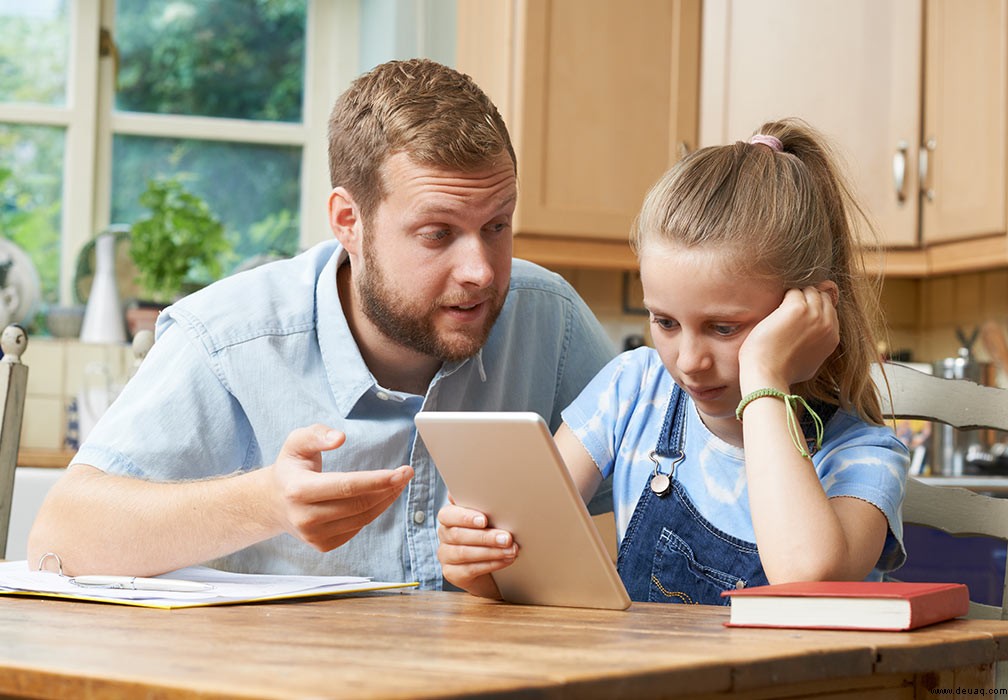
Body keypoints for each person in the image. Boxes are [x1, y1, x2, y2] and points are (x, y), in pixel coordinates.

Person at [27, 58, 615, 588]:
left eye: (497, 226)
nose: (481, 272)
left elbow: (657, 505)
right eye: (438, 233)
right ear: (347, 221)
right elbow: (60, 537)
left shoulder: (551, 319)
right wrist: (265, 503)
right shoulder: (229, 338)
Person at [437, 119, 909, 604]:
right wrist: (478, 564)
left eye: (724, 328)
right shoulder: (632, 389)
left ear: (809, 313)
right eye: (664, 322)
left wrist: (764, 376)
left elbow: (804, 575)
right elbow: (525, 556)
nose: (688, 361)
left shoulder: (864, 456)